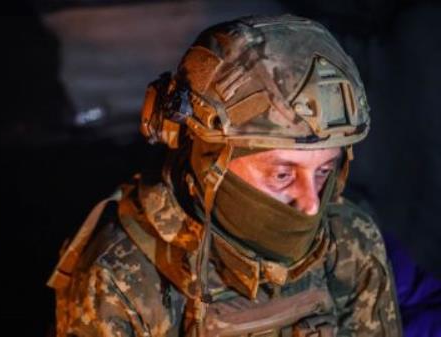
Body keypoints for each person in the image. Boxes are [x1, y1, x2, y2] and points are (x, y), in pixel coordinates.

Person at [48, 15, 402, 337]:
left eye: (324, 171)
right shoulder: (123, 275)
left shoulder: (350, 241)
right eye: (282, 175)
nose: (311, 206)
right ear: (209, 161)